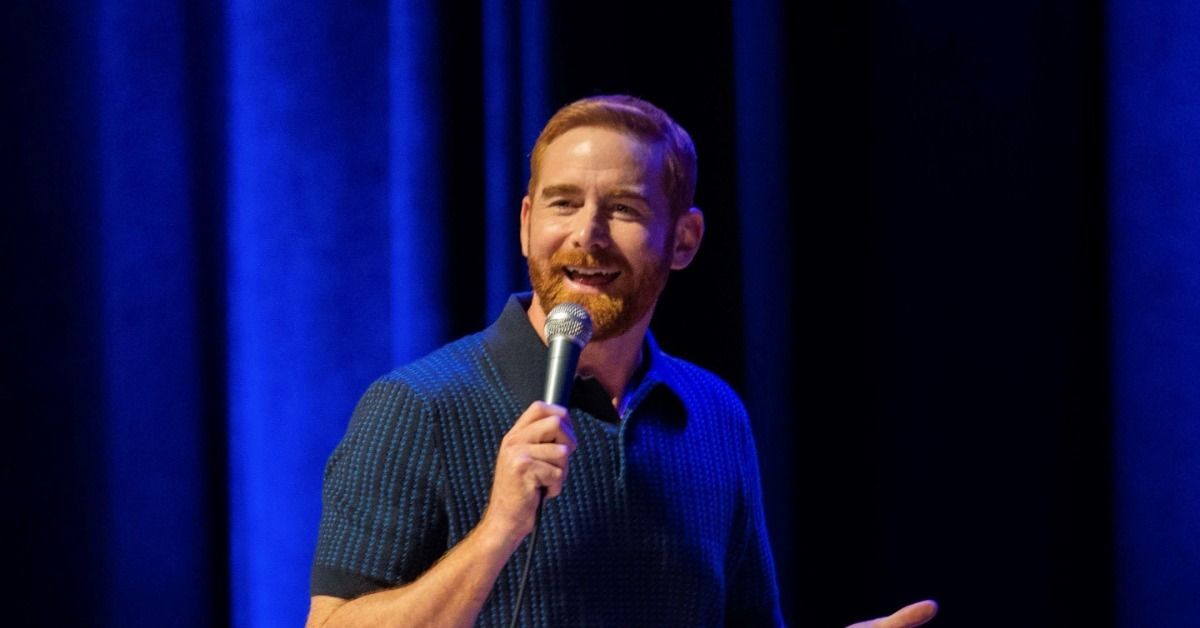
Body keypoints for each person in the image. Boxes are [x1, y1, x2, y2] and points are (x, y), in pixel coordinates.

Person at [305, 95, 937, 627]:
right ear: (527, 224)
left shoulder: (714, 414)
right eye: (563, 203)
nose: (588, 234)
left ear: (684, 240)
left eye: (625, 209)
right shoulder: (420, 405)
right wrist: (497, 531)